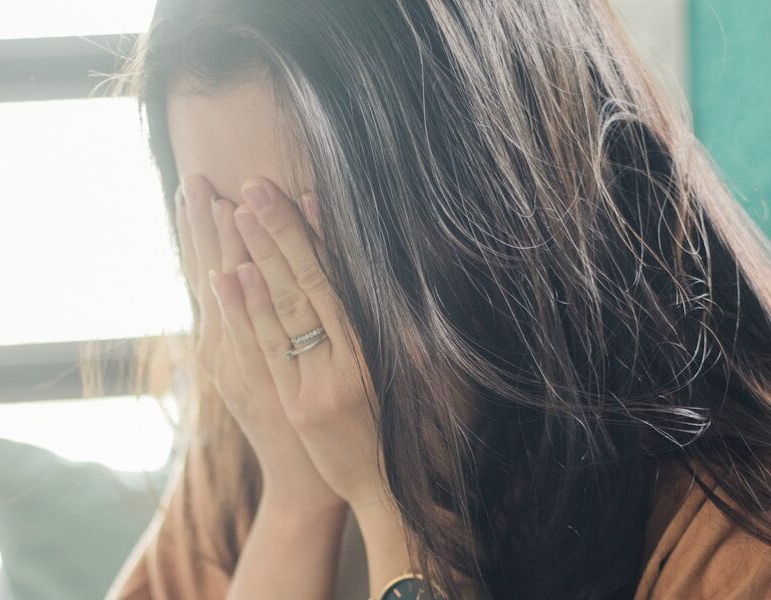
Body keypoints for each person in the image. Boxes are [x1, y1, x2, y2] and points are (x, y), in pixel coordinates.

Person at [104, 0, 771, 598]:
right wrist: (293, 505)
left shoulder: (730, 531)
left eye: (311, 232)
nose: (278, 300)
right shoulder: (253, 441)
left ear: (493, 194)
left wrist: (397, 505)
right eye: (224, 227)